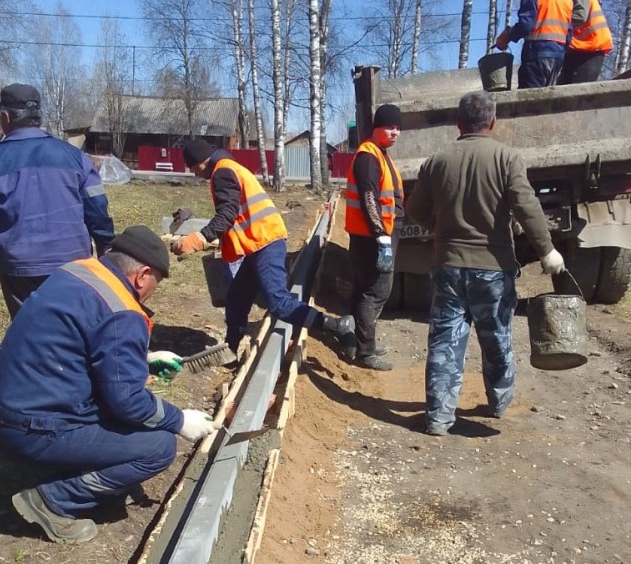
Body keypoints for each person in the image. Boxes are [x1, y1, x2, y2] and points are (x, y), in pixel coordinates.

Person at [0, 225, 216, 544]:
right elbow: (128, 401)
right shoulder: (122, 311)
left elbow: (82, 342)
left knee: (128, 420)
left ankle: (78, 467)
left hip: (2, 408)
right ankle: (52, 501)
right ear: (142, 275)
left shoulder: (79, 270)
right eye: (155, 285)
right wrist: (180, 420)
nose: (150, 293)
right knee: (158, 447)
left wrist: (142, 358)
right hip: (29, 428)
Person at [405, 91, 566, 436]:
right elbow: (527, 206)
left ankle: (438, 417)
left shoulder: (438, 160)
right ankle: (499, 403)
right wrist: (547, 251)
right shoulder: (507, 158)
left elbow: (414, 209)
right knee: (496, 337)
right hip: (493, 268)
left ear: (458, 122)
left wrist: (439, 229)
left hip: (447, 264)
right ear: (492, 122)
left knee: (445, 340)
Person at [172, 139, 357, 360]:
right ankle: (230, 350)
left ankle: (335, 325)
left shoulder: (222, 172)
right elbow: (238, 215)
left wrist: (199, 238)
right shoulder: (230, 167)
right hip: (258, 241)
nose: (194, 174)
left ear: (199, 162)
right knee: (237, 299)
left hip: (265, 241)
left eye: (192, 168)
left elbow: (227, 214)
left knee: (278, 302)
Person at [0, 83, 115, 319]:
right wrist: (105, 243)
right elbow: (96, 204)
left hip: (17, 263)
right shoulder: (75, 157)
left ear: (6, 116)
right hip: (71, 261)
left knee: (27, 325)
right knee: (70, 324)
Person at [343, 104, 405, 371]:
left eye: (398, 128)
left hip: (372, 234)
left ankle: (360, 343)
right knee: (377, 291)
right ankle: (366, 352)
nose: (395, 132)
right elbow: (369, 198)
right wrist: (381, 236)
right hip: (373, 237)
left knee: (365, 287)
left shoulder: (380, 154)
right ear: (376, 128)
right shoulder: (368, 157)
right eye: (390, 127)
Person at [494, 0, 573, 88]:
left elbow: (526, 25)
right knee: (547, 102)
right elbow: (569, 34)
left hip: (536, 56)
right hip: (558, 58)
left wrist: (507, 35)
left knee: (529, 102)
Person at [552, 0, 613, 84]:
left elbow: (580, 16)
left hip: (591, 50)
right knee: (564, 88)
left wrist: (557, 23)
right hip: (582, 51)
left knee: (577, 92)